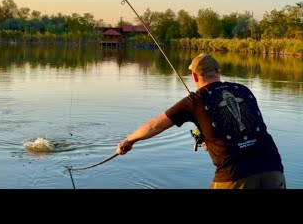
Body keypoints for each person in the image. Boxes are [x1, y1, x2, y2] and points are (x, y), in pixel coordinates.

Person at [116, 53, 286, 189]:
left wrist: (129, 140)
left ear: (195, 77)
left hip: (234, 174)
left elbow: (155, 125)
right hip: (272, 166)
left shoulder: (194, 101)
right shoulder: (242, 89)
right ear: (218, 72)